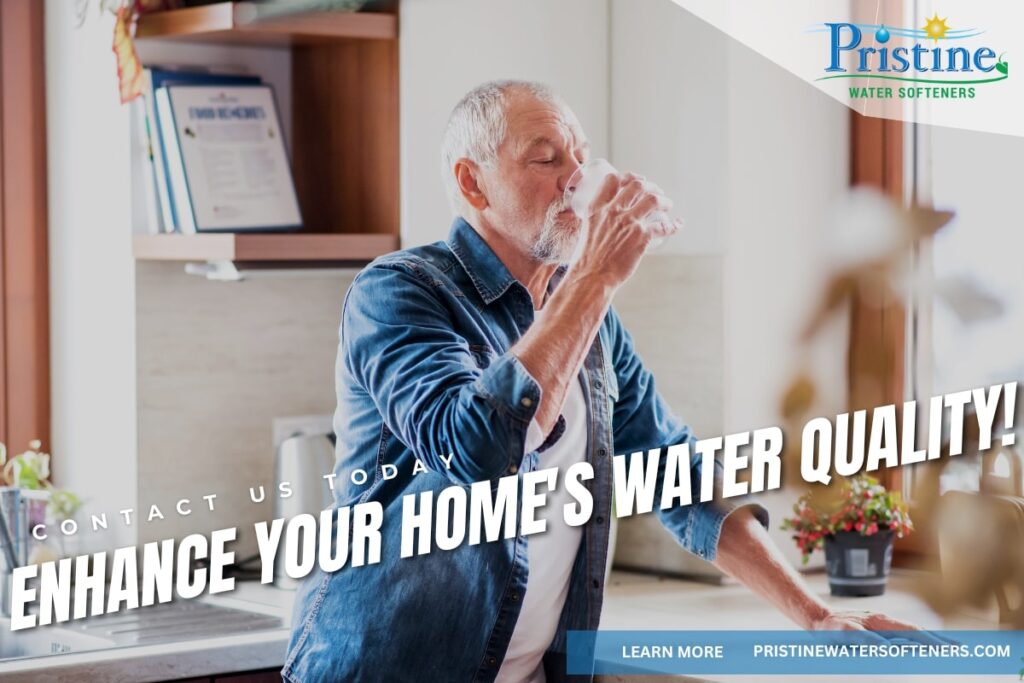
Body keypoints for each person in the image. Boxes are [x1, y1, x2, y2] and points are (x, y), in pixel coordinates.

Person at [283, 79, 921, 683]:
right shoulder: (399, 290)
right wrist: (595, 276)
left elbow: (678, 476)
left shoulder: (589, 316)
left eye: (581, 157)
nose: (577, 180)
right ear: (472, 183)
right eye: (547, 159)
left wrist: (814, 614)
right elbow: (474, 454)